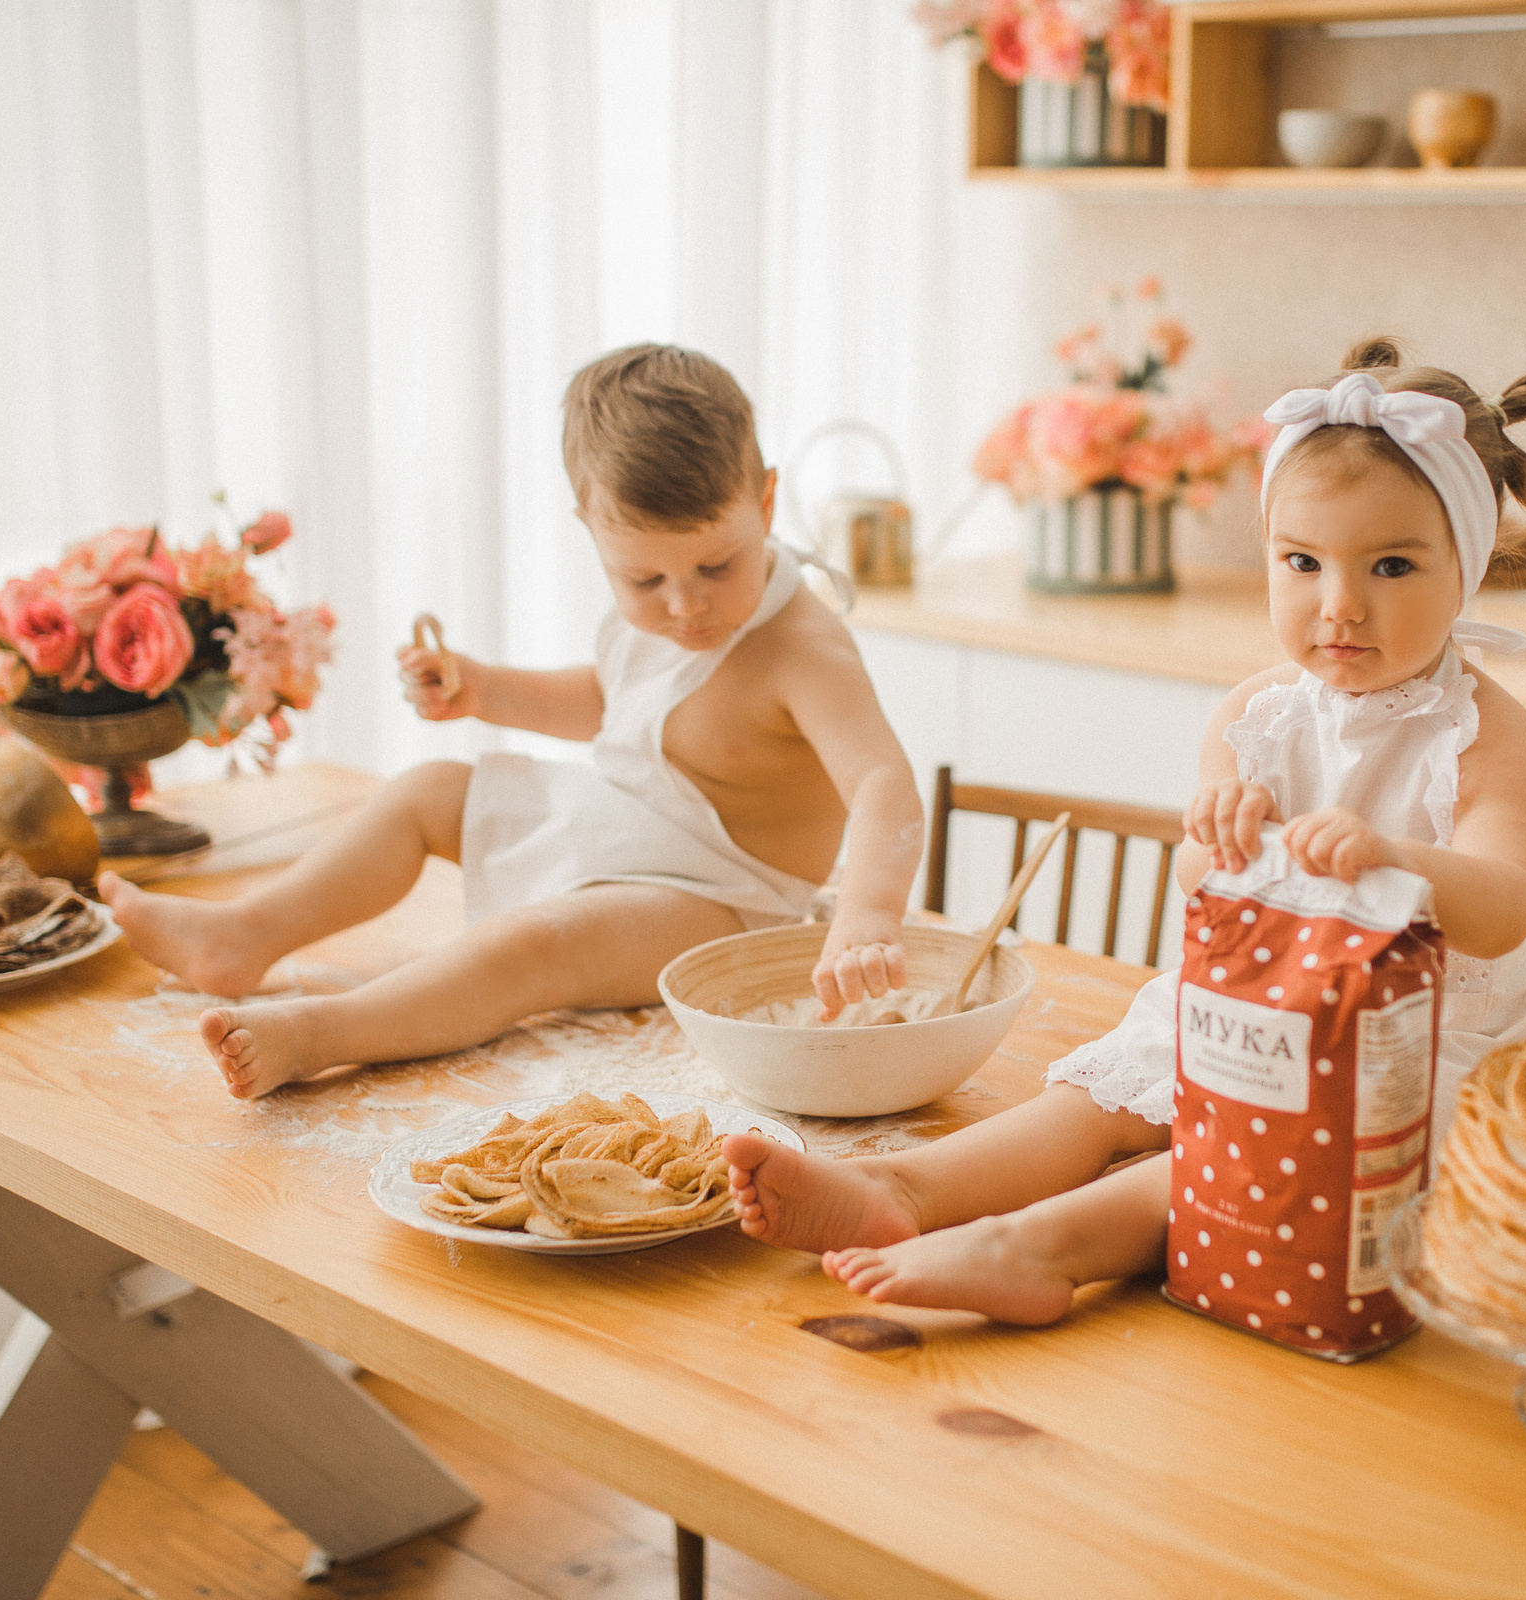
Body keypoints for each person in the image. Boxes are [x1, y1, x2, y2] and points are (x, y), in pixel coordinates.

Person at [724, 338, 1526, 1324]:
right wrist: (1217, 843)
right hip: (1255, 1006)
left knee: (1248, 1147)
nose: (1338, 605)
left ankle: (1037, 1246)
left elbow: (1504, 909)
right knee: (1100, 1099)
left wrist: (1396, 860)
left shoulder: (1482, 733)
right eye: (1301, 562)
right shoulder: (1256, 715)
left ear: (1465, 571)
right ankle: (905, 1190)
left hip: (1421, 1040)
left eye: (1390, 565)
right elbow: (1197, 883)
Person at [102, 344, 925, 1097]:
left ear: (767, 501)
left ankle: (320, 1032)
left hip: (729, 898)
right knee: (429, 789)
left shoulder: (802, 649)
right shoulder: (668, 616)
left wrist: (868, 913)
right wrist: (485, 690)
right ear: (590, 529)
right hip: (634, 828)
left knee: (539, 943)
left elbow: (882, 781)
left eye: (718, 563)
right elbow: (618, 704)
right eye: (643, 580)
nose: (684, 605)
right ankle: (246, 935)